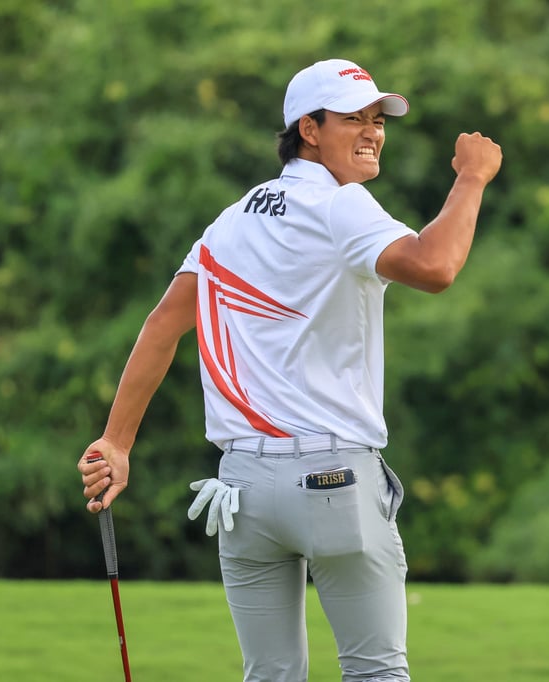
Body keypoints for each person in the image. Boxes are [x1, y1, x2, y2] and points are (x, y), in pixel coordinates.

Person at [78, 58, 502, 682]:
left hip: (243, 492)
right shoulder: (341, 205)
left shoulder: (233, 219)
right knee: (376, 672)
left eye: (377, 118)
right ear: (309, 128)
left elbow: (164, 323)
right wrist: (472, 178)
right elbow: (435, 266)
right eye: (352, 118)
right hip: (334, 482)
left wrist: (117, 442)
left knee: (270, 675)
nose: (373, 131)